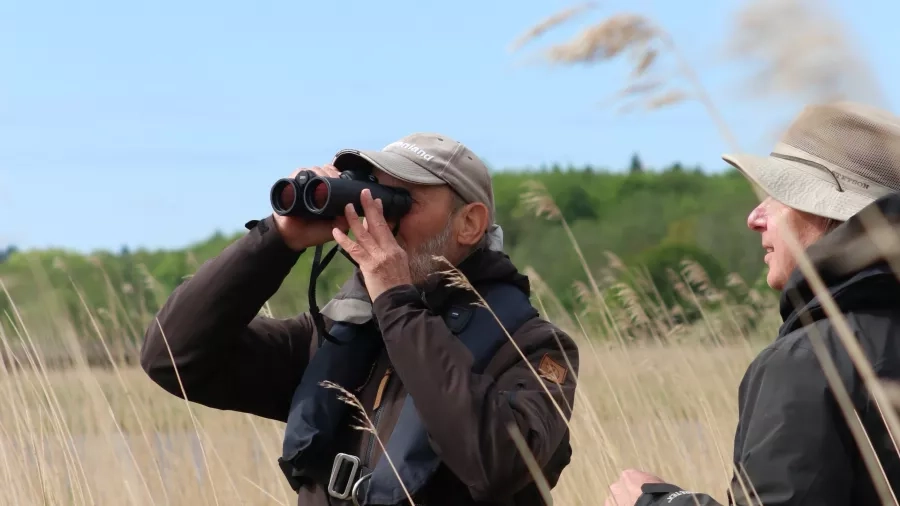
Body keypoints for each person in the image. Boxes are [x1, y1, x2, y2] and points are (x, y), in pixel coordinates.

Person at [140, 132, 579, 506]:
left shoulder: (531, 347)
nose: (377, 217)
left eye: (400, 201)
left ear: (469, 223)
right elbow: (171, 356)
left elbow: (496, 464)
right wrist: (278, 240)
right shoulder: (341, 335)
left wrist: (396, 300)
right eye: (373, 193)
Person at [605, 100, 900, 506]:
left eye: (778, 194)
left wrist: (655, 503)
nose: (755, 216)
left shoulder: (810, 360)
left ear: (831, 213)